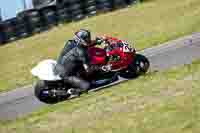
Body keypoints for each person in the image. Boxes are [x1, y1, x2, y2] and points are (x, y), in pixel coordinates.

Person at [55, 29, 111, 95]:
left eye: (88, 37)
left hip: (66, 65)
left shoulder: (72, 42)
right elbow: (88, 68)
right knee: (87, 86)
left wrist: (98, 41)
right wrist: (101, 68)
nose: (88, 39)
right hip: (67, 74)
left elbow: (86, 44)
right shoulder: (81, 52)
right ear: (81, 39)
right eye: (86, 38)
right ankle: (67, 92)